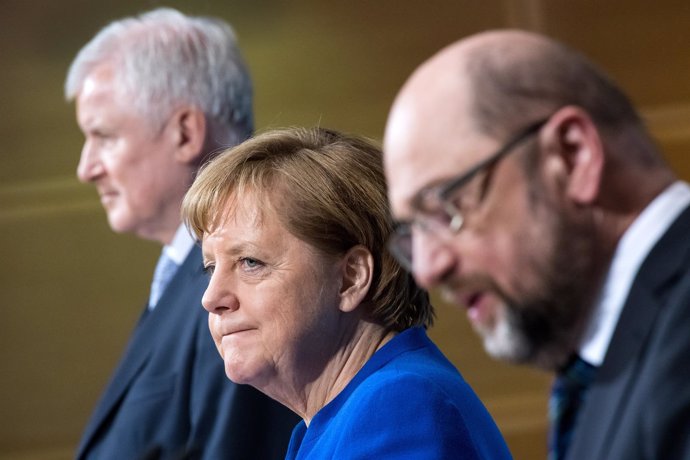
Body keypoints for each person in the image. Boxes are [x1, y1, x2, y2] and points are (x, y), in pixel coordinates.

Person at [383, 28, 690, 460]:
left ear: (571, 155)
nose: (428, 270)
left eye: (445, 208)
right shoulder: (608, 358)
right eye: (413, 231)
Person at [180, 127, 513, 459]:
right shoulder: (333, 421)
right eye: (211, 267)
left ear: (351, 278)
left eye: (250, 262)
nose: (211, 298)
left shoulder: (399, 406)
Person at [65, 8, 299, 459]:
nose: (85, 169)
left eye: (104, 137)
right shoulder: (182, 275)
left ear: (185, 133)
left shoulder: (241, 291)